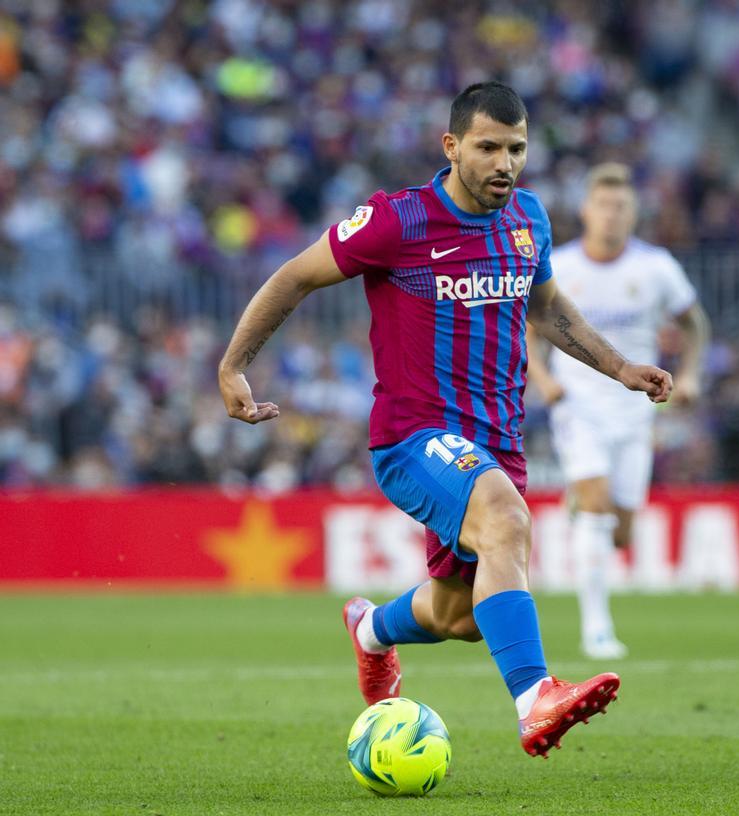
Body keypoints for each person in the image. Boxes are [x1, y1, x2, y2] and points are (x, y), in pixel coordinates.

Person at [216, 82, 674, 758]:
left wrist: (620, 367)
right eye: (489, 147)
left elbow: (545, 307)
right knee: (508, 519)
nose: (505, 163)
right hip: (414, 436)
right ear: (452, 146)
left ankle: (371, 629)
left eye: (516, 149)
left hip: (497, 437)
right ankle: (535, 699)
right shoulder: (395, 222)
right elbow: (295, 277)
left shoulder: (529, 219)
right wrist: (234, 366)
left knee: (459, 614)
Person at [525, 163, 709, 660]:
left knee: (622, 532)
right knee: (597, 507)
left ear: (634, 214)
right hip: (577, 405)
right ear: (586, 210)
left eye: (621, 207)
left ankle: (581, 500)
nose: (611, 215)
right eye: (603, 205)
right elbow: (532, 326)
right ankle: (597, 630)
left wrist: (689, 375)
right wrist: (543, 382)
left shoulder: (656, 267)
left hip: (635, 414)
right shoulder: (559, 265)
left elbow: (693, 323)